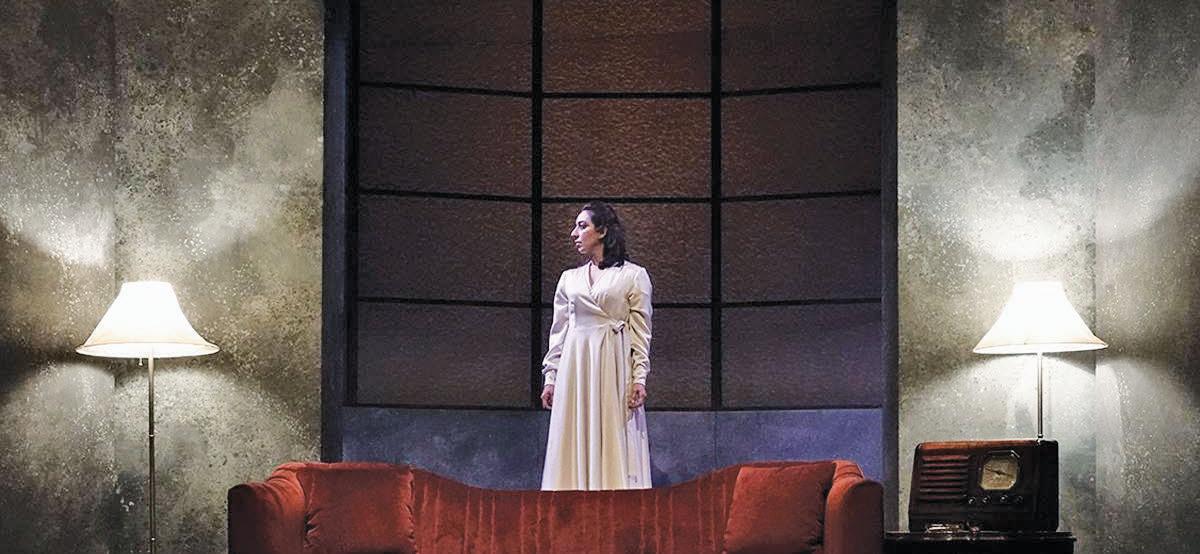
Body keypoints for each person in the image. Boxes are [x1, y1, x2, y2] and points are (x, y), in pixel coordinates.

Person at [540, 202, 652, 491]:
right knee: (574, 433)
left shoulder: (633, 276)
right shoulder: (569, 279)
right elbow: (559, 331)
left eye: (582, 226)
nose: (574, 233)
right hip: (576, 368)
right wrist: (551, 377)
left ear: (601, 231)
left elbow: (641, 333)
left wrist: (639, 377)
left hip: (612, 366)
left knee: (613, 433)